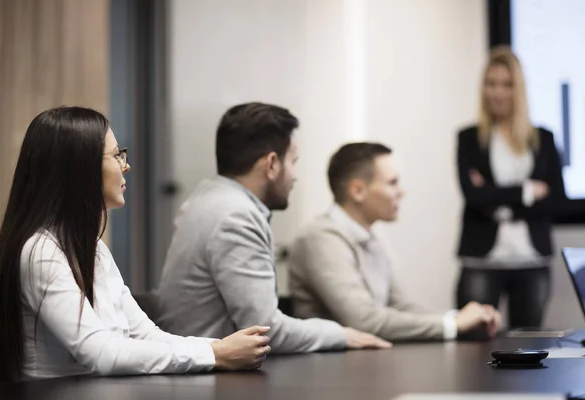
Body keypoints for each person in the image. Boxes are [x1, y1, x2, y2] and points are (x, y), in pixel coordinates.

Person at [0, 107, 271, 381]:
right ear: (81, 168)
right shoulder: (41, 253)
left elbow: (146, 335)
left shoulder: (93, 249)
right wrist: (214, 353)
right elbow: (103, 353)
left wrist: (221, 347)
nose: (126, 165)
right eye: (115, 156)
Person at [157, 102, 390, 353]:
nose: (294, 176)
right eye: (293, 162)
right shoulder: (236, 217)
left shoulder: (205, 200)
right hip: (213, 382)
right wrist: (341, 334)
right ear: (271, 164)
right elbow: (266, 331)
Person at [288, 143, 501, 341]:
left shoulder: (371, 234)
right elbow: (364, 321)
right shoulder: (320, 239)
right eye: (392, 182)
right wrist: (453, 324)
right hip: (328, 372)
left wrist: (462, 317)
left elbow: (399, 306)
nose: (402, 191)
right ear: (357, 191)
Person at [455, 46, 566, 328]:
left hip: (532, 260)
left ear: (519, 89)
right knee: (474, 348)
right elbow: (474, 197)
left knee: (526, 351)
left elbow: (556, 201)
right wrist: (526, 192)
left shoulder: (543, 139)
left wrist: (494, 196)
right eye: (491, 84)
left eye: (506, 84)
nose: (498, 92)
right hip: (482, 260)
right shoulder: (469, 139)